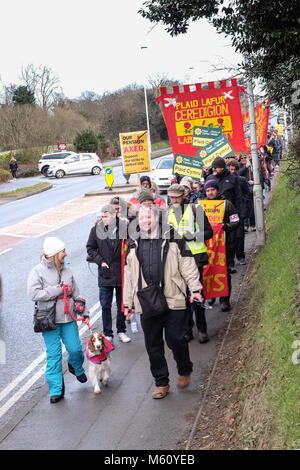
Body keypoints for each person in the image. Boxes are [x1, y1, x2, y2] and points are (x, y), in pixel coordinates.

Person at [123, 204, 203, 399]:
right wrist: (127, 304)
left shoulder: (173, 237)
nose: (145, 221)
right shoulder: (133, 243)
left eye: (148, 218)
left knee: (176, 338)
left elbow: (187, 265)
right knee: (153, 344)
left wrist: (195, 290)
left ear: (157, 218)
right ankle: (161, 383)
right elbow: (129, 275)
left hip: (173, 296)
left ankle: (184, 369)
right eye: (141, 219)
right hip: (146, 300)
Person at [27, 237, 89, 404]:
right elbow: (33, 294)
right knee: (53, 356)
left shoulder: (68, 270)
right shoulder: (37, 271)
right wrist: (57, 290)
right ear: (54, 254)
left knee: (75, 349)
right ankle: (56, 389)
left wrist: (86, 313)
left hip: (68, 318)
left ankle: (75, 366)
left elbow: (77, 293)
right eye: (63, 251)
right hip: (49, 320)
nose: (66, 254)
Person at [167, 183, 213, 343]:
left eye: (176, 197)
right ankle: (187, 328)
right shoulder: (168, 213)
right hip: (177, 260)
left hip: (196, 256)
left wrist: (192, 236)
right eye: (171, 197)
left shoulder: (195, 210)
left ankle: (202, 329)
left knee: (197, 294)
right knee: (182, 296)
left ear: (183, 196)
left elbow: (209, 232)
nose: (173, 199)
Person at [86, 204, 131, 344]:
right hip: (105, 273)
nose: (103, 219)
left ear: (113, 216)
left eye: (105, 216)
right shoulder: (95, 230)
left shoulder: (124, 228)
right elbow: (90, 248)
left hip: (120, 271)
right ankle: (107, 333)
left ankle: (121, 331)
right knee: (105, 305)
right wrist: (100, 261)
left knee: (121, 304)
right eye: (102, 216)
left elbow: (131, 245)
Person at [204, 179, 240, 312]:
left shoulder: (227, 204)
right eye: (207, 191)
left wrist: (226, 226)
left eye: (212, 190)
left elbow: (236, 221)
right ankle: (211, 296)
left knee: (223, 272)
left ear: (217, 190)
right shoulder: (201, 206)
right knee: (208, 270)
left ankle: (225, 300)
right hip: (207, 246)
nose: (210, 192)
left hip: (225, 244)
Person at [228, 159, 250, 265]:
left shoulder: (241, 180)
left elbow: (247, 193)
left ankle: (240, 255)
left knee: (239, 235)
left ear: (236, 169)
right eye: (229, 169)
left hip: (238, 211)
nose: (231, 171)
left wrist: (243, 206)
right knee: (230, 237)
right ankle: (230, 259)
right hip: (227, 212)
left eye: (233, 169)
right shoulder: (225, 181)